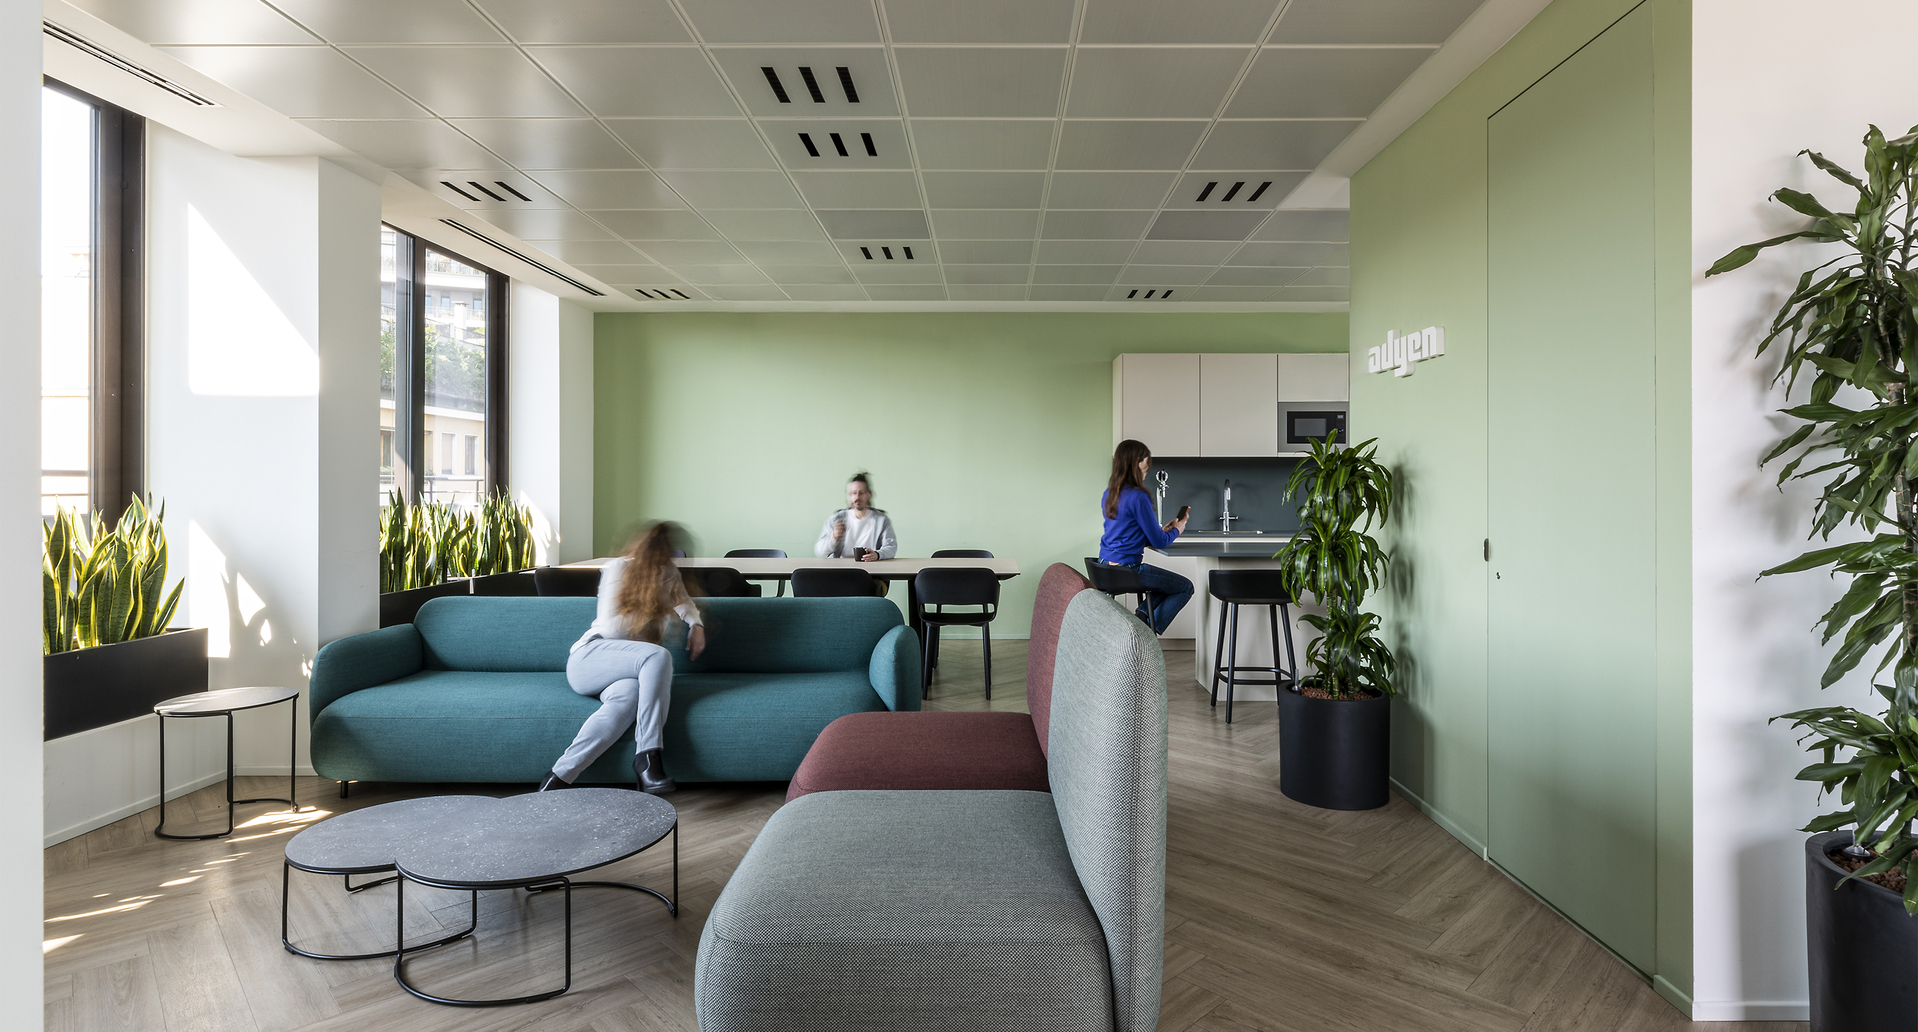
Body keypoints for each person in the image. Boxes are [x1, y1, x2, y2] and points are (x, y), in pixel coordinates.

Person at [539, 522, 704, 795]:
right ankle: (648, 757)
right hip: (591, 657)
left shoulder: (668, 573)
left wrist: (696, 625)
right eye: (660, 550)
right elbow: (613, 630)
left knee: (627, 701)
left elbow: (684, 602)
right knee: (658, 655)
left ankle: (557, 778)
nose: (666, 557)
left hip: (627, 671)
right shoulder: (619, 568)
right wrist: (653, 603)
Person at [1097, 439, 1193, 633]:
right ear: (1137, 462)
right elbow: (1159, 542)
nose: (1147, 468)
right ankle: (1142, 630)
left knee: (1163, 585)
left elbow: (1128, 532)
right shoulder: (1139, 496)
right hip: (1128, 569)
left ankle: (1141, 618)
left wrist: (1162, 531)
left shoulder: (1109, 493)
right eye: (1145, 464)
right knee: (1185, 587)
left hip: (1104, 566)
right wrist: (1177, 530)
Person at [815, 472, 898, 561]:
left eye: (861, 493)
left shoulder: (881, 520)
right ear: (849, 496)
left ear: (869, 494)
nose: (857, 497)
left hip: (870, 569)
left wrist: (877, 554)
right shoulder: (837, 518)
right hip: (840, 569)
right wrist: (834, 537)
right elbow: (819, 550)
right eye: (853, 493)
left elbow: (891, 547)